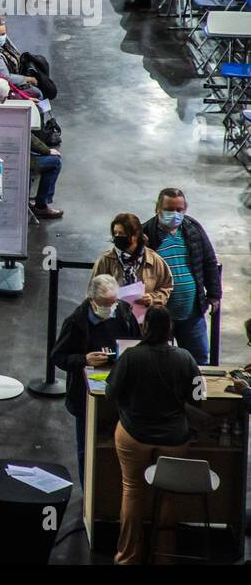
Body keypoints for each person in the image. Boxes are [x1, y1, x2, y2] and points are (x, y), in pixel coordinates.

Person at [105, 307, 202, 564]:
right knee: (169, 494)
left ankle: (128, 556)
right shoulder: (185, 358)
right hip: (174, 439)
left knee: (132, 491)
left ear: (145, 327)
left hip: (134, 435)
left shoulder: (131, 357)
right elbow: (198, 399)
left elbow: (110, 393)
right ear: (170, 329)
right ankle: (163, 557)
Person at [51, 275, 141, 482]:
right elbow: (59, 357)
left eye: (113, 303)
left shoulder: (124, 313)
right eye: (104, 305)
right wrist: (85, 359)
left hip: (120, 394)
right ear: (92, 300)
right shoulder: (76, 322)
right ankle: (88, 495)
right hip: (87, 397)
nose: (110, 308)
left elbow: (138, 343)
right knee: (88, 448)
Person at [142, 188, 221, 364]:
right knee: (159, 362)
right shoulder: (146, 233)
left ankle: (195, 393)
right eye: (169, 209)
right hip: (160, 316)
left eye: (180, 210)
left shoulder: (192, 228)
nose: (175, 214)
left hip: (192, 313)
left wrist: (215, 295)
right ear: (158, 209)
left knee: (198, 360)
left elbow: (209, 261)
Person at [0, 79, 63, 218]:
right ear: (5, 97)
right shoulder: (9, 117)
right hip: (13, 161)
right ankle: (41, 205)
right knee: (55, 163)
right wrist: (47, 150)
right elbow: (29, 138)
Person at [91, 212, 174, 311]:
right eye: (115, 233)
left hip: (143, 321)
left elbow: (166, 286)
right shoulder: (105, 260)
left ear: (135, 235)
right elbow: (93, 293)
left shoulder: (153, 260)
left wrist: (152, 298)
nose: (117, 237)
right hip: (113, 320)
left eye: (121, 233)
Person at [0, 12, 48, 100]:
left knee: (40, 63)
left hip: (13, 75)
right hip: (1, 87)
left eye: (3, 34)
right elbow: (6, 78)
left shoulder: (5, 42)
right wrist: (26, 79)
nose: (1, 37)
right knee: (39, 93)